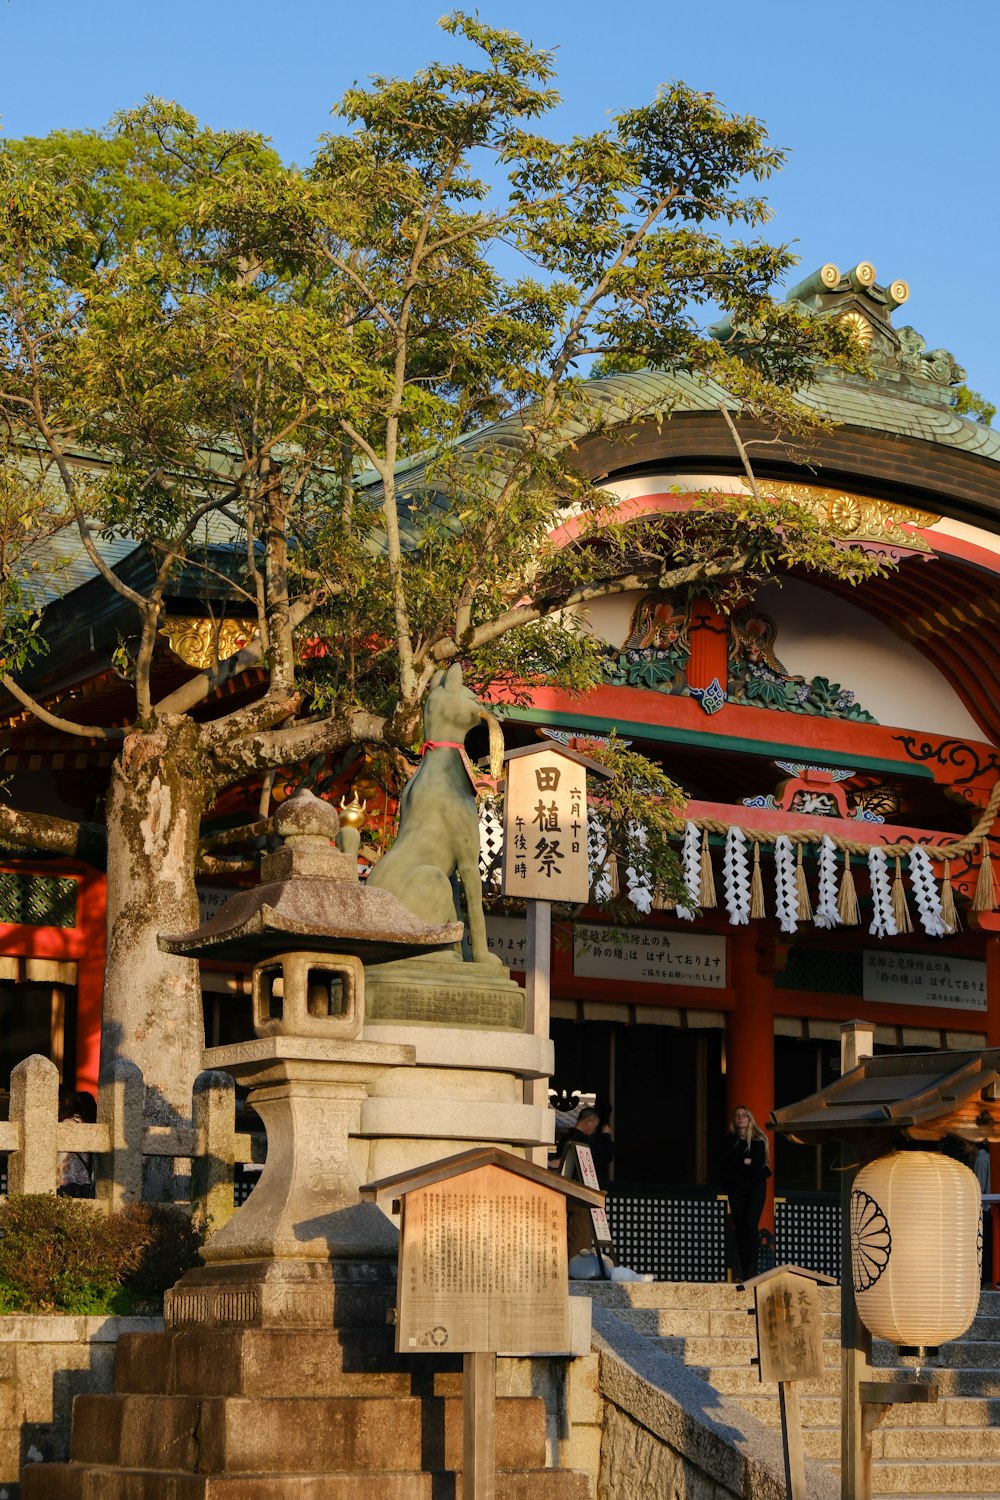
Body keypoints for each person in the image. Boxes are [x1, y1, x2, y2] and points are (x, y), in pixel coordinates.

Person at [723, 1104, 771, 1281]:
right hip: (736, 1188)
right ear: (734, 1121)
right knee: (740, 1228)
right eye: (737, 1115)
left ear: (750, 1119)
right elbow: (727, 1165)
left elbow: (758, 1167)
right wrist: (744, 1162)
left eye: (744, 1115)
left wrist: (742, 1164)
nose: (740, 1118)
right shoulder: (729, 1141)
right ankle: (742, 1269)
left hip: (755, 1188)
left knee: (751, 1226)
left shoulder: (759, 1141)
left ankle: (751, 1269)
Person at [560, 1106, 614, 1188]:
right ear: (588, 1122)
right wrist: (607, 1136)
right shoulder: (585, 1142)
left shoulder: (564, 1138)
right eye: (595, 1126)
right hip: (578, 1186)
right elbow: (607, 1155)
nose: (594, 1130)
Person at [56, 1087, 96, 1198]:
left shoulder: (68, 1123)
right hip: (86, 1182)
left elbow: (61, 1154)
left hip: (68, 1181)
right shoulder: (85, 1122)